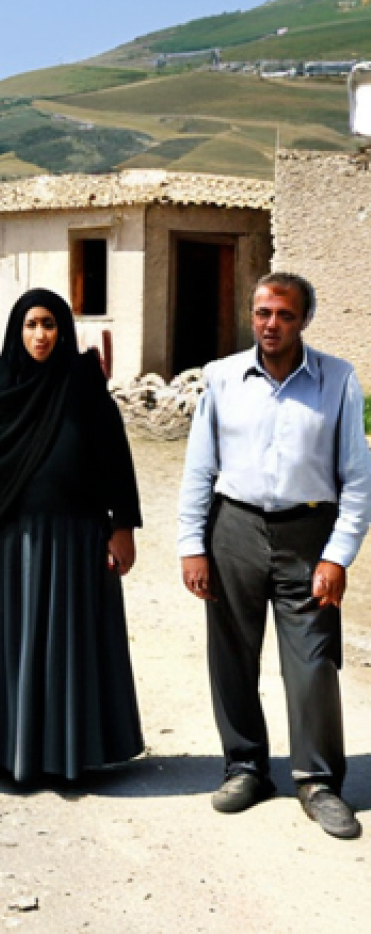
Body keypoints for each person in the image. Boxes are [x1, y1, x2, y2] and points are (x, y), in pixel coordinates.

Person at [178, 271, 371, 840]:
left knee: (312, 662)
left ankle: (318, 782)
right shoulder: (222, 378)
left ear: (303, 320)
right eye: (263, 312)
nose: (271, 324)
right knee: (232, 655)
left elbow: (357, 480)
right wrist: (193, 545)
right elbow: (198, 467)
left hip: (309, 532)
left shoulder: (337, 380)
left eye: (284, 315)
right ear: (253, 314)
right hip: (233, 527)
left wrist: (337, 555)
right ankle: (245, 767)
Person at [0, 288, 144, 784]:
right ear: (17, 330)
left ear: (63, 330)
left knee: (69, 643)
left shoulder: (84, 386)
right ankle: (12, 752)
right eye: (31, 324)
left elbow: (115, 456)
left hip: (77, 538)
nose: (40, 335)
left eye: (50, 324)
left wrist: (122, 527)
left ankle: (71, 753)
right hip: (10, 541)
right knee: (15, 644)